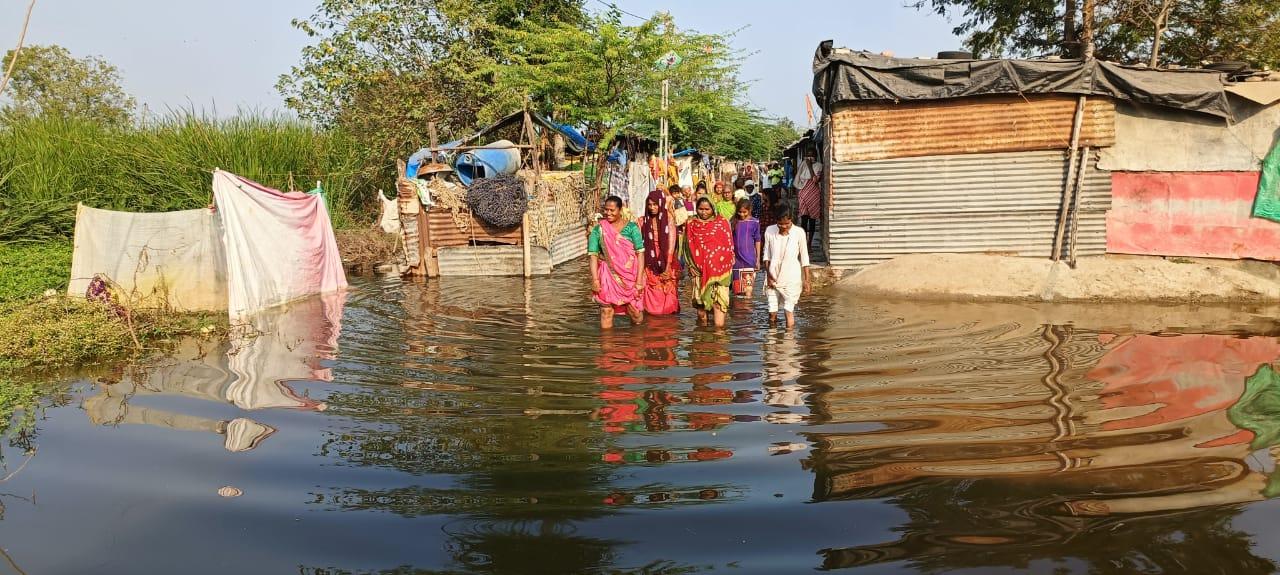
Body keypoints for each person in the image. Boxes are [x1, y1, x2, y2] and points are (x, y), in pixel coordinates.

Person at [589, 196, 645, 329]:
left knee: (634, 312)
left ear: (620, 210)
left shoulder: (632, 228)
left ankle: (637, 342)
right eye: (606, 210)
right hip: (607, 275)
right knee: (606, 311)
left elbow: (640, 254)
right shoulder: (598, 230)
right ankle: (608, 347)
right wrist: (595, 280)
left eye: (612, 210)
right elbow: (593, 256)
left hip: (629, 277)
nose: (608, 213)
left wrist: (639, 281)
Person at [683, 197, 734, 328]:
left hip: (720, 273)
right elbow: (686, 247)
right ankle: (702, 344)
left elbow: (728, 247)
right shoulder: (691, 224)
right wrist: (690, 266)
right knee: (701, 313)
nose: (704, 212)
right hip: (698, 272)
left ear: (713, 208)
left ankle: (718, 341)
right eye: (700, 209)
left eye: (707, 209)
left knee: (719, 307)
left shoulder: (721, 223)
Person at [762, 206, 811, 329]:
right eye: (780, 224)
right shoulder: (769, 231)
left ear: (791, 220)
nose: (784, 226)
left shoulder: (799, 232)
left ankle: (789, 342)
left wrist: (807, 280)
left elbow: (804, 257)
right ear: (776, 221)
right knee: (772, 311)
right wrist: (768, 276)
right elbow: (766, 256)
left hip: (791, 276)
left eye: (787, 223)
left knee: (788, 310)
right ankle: (772, 339)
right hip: (772, 274)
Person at [639, 190, 680, 315]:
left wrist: (667, 266)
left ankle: (667, 322)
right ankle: (653, 321)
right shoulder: (643, 221)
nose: (652, 208)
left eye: (655, 204)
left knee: (666, 288)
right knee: (651, 289)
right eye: (650, 205)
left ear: (661, 204)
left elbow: (671, 245)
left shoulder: (668, 219)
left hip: (666, 258)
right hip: (650, 260)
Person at [731, 199, 761, 299]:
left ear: (750, 210)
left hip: (749, 260)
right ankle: (739, 313)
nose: (742, 214)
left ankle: (747, 312)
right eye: (740, 212)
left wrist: (757, 259)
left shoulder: (755, 222)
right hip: (736, 260)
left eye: (744, 212)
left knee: (748, 292)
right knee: (737, 292)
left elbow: (757, 240)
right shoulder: (734, 222)